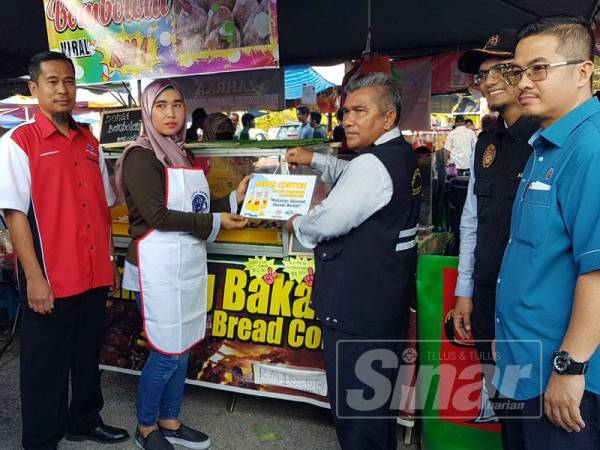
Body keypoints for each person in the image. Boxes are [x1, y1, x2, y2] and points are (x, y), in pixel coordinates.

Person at [0, 51, 128, 449]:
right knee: (44, 365)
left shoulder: (90, 140)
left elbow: (104, 208)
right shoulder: (18, 142)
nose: (62, 89)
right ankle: (41, 439)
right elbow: (15, 215)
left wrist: (110, 259)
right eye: (52, 82)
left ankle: (84, 420)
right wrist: (35, 280)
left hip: (92, 272)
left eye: (69, 81)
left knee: (87, 356)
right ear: (34, 89)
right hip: (51, 277)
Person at [286, 73, 421, 449]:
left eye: (360, 111)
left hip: (357, 309)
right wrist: (316, 159)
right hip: (382, 305)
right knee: (374, 408)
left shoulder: (373, 165)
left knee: (357, 415)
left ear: (389, 118)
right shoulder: (399, 155)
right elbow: (355, 179)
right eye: (346, 111)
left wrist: (298, 223)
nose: (348, 119)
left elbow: (331, 218)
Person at [114, 80, 250, 450]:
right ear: (147, 111)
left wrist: (232, 201)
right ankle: (147, 427)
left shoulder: (182, 153)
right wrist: (216, 223)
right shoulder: (141, 156)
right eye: (160, 105)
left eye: (176, 104)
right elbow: (158, 216)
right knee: (165, 352)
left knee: (183, 346)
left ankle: (170, 421)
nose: (170, 113)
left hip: (186, 264)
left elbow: (197, 209)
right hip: (156, 266)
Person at [495, 15, 600, 449]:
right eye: (518, 71)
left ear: (583, 71)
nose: (523, 81)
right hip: (523, 364)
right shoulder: (545, 144)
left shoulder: (589, 148)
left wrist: (570, 367)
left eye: (539, 68)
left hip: (563, 380)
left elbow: (596, 271)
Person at [451, 29, 539, 427]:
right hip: (487, 293)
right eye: (481, 75)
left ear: (523, 72)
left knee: (536, 409)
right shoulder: (485, 142)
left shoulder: (548, 139)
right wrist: (465, 291)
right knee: (502, 400)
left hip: (533, 298)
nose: (486, 81)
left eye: (497, 70)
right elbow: (471, 220)